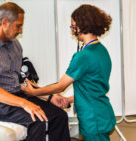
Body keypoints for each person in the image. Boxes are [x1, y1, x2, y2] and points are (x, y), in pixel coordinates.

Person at [0, 2, 70, 141]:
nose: (21, 30)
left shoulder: (15, 45)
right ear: (4, 22)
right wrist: (25, 104)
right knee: (37, 119)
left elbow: (21, 84)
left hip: (16, 95)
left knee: (59, 116)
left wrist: (50, 98)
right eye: (18, 25)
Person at [21, 4, 116, 141]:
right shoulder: (102, 51)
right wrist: (68, 99)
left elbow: (60, 86)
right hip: (102, 113)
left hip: (92, 118)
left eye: (73, 26)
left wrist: (33, 92)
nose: (72, 30)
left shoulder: (83, 56)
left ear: (82, 26)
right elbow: (92, 87)